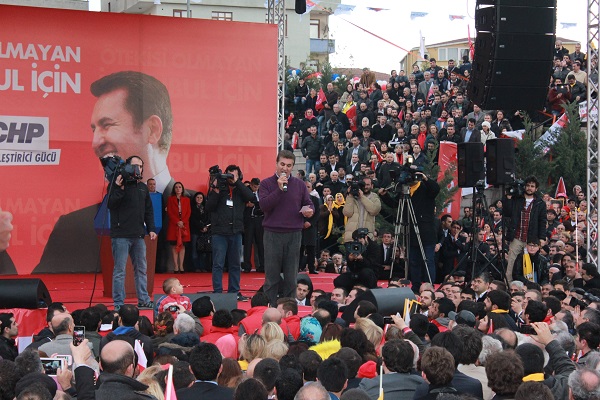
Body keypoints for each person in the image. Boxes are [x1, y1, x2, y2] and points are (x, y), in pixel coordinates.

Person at [36, 71, 175, 274]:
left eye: (107, 125)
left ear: (152, 130)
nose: (95, 142)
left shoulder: (194, 206)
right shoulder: (73, 227)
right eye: (94, 129)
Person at [259, 150, 315, 306]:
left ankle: (289, 309)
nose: (285, 168)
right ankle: (269, 309)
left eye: (289, 166)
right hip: (272, 234)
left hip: (294, 234)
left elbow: (308, 203)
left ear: (293, 167)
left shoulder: (299, 185)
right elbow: (264, 205)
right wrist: (279, 189)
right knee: (272, 277)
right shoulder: (266, 184)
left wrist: (310, 211)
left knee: (291, 277)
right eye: (282, 164)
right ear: (276, 164)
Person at [107, 155, 156, 310]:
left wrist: (152, 229)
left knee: (141, 269)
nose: (138, 169)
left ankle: (143, 299)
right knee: (120, 271)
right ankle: (119, 303)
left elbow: (149, 210)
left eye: (141, 166)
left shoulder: (142, 187)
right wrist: (118, 188)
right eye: (135, 166)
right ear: (127, 167)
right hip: (121, 235)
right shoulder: (116, 184)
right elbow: (111, 204)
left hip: (138, 235)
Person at [206, 165, 254, 301]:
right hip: (219, 232)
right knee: (218, 264)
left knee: (235, 264)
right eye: (229, 175)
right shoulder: (219, 189)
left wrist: (237, 182)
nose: (231, 177)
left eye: (234, 175)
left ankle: (234, 291)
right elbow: (209, 207)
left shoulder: (240, 190)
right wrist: (215, 190)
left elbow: (251, 197)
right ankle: (217, 291)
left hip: (236, 232)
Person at [503, 176, 547, 282]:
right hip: (517, 237)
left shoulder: (540, 203)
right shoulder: (516, 199)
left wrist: (541, 238)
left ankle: (530, 289)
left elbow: (542, 221)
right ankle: (509, 287)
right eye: (528, 185)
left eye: (532, 186)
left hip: (532, 239)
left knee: (530, 266)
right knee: (511, 265)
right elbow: (507, 213)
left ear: (536, 189)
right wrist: (508, 198)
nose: (529, 188)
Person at [343, 177, 381, 243]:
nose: (365, 187)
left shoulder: (374, 197)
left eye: (368, 185)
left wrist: (362, 197)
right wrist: (350, 196)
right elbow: (347, 213)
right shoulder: (351, 197)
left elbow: (374, 210)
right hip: (351, 237)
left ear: (372, 186)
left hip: (367, 237)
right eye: (364, 185)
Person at [166, 181, 191, 273]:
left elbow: (188, 212)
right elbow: (169, 212)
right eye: (176, 187)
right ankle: (176, 266)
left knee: (183, 246)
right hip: (174, 225)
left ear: (182, 189)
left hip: (184, 225)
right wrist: (177, 221)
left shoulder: (187, 200)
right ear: (174, 189)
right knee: (174, 246)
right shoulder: (170, 199)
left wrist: (182, 222)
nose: (178, 189)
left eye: (180, 187)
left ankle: (181, 266)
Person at [243, 178, 265, 273]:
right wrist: (247, 205)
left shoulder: (262, 192)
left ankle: (262, 265)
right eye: (254, 187)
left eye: (258, 186)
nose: (256, 188)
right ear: (251, 185)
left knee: (261, 244)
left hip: (259, 219)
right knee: (248, 244)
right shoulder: (246, 192)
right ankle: (247, 265)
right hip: (249, 220)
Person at [190, 192, 211, 272]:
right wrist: (201, 227)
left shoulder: (206, 208)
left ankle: (203, 267)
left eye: (201, 198)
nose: (199, 199)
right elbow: (193, 220)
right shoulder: (192, 208)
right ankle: (196, 267)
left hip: (204, 232)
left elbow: (208, 219)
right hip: (195, 231)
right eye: (197, 197)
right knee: (194, 249)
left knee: (204, 250)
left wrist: (206, 227)